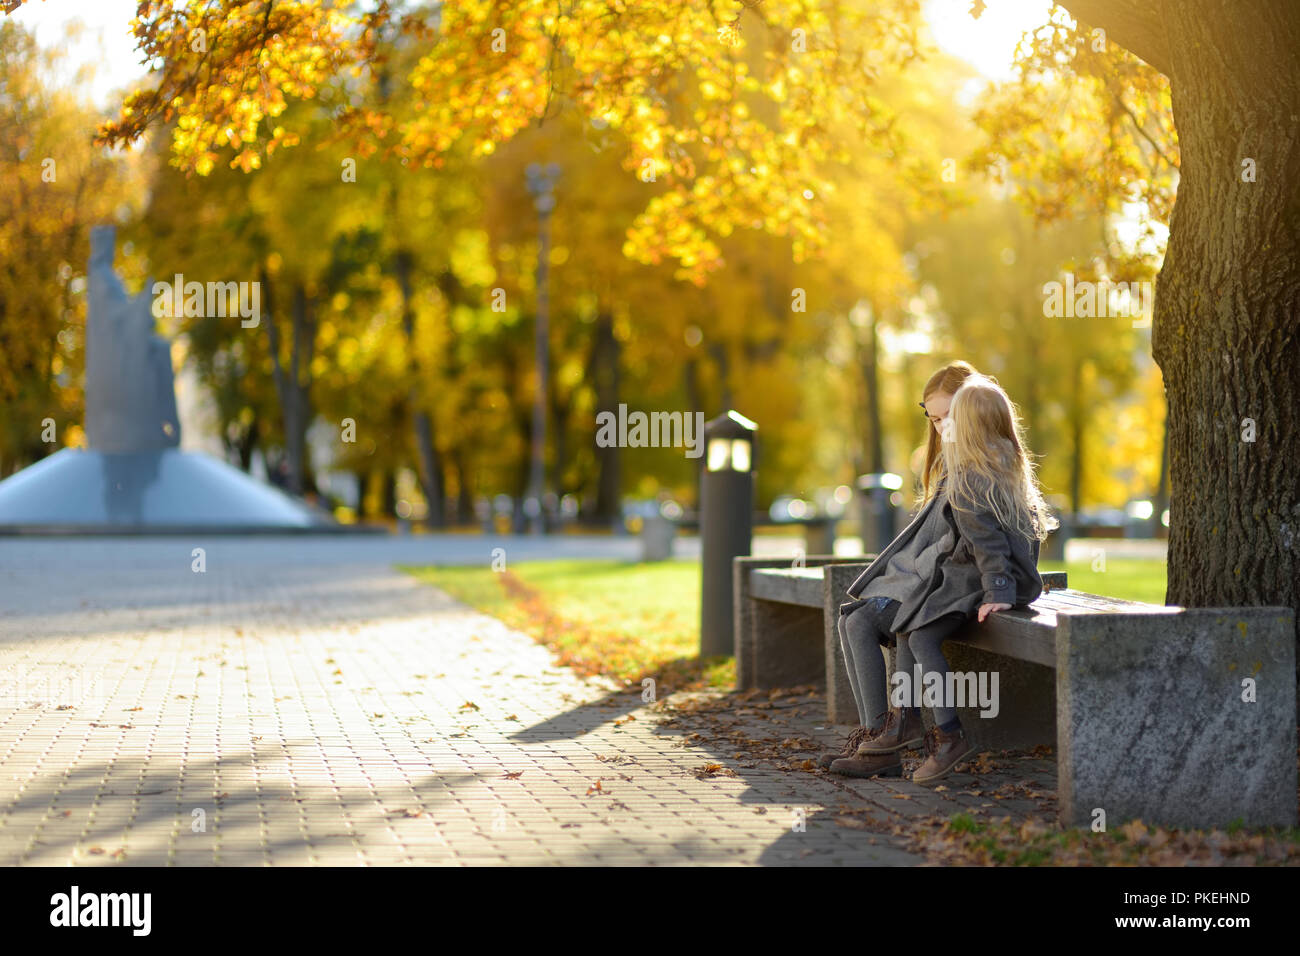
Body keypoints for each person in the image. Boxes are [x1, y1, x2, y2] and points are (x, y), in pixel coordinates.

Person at [823, 370, 1056, 784]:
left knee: (892, 626)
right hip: (947, 577)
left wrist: (997, 587)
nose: (943, 428)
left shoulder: (976, 469)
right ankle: (885, 733)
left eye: (950, 417)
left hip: (957, 582)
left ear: (970, 418)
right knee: (860, 618)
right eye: (934, 420)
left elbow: (989, 544)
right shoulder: (975, 464)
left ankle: (910, 731)